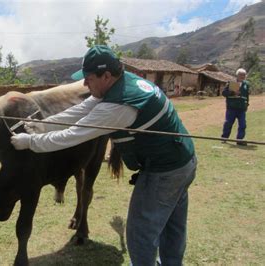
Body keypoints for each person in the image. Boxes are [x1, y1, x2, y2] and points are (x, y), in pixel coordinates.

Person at [10, 45, 197, 265]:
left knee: (140, 235)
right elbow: (79, 110)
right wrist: (41, 124)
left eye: (88, 78)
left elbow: (72, 135)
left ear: (106, 75)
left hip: (164, 172)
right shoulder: (122, 83)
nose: (85, 84)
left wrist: (30, 142)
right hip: (184, 160)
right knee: (173, 228)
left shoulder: (118, 106)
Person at [221, 68, 250, 146]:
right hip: (232, 107)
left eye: (244, 75)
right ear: (237, 75)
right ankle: (224, 138)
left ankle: (239, 140)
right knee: (228, 123)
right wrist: (233, 92)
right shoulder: (231, 83)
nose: (242, 76)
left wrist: (247, 104)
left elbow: (247, 95)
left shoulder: (246, 84)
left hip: (241, 109)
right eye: (240, 75)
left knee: (243, 125)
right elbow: (224, 93)